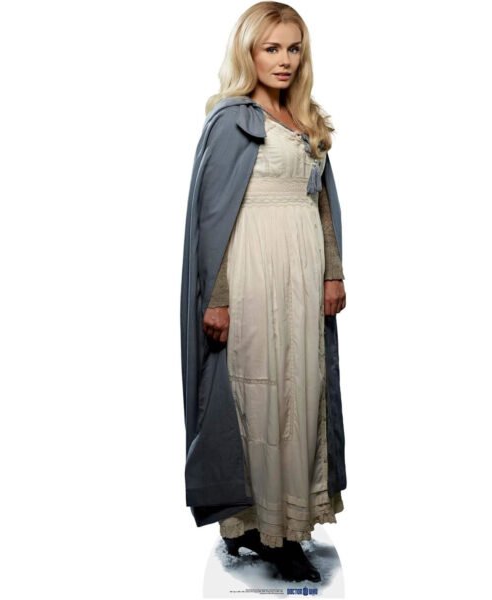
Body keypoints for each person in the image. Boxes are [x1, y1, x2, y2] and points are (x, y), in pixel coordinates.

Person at [180, 1, 347, 583]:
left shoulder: (306, 119)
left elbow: (321, 204)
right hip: (253, 271)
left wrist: (333, 272)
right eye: (270, 48)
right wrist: (217, 297)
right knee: (257, 391)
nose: (284, 59)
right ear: (247, 52)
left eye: (293, 48)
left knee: (302, 387)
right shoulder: (231, 119)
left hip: (302, 269)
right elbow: (213, 218)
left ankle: (289, 520)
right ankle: (260, 527)